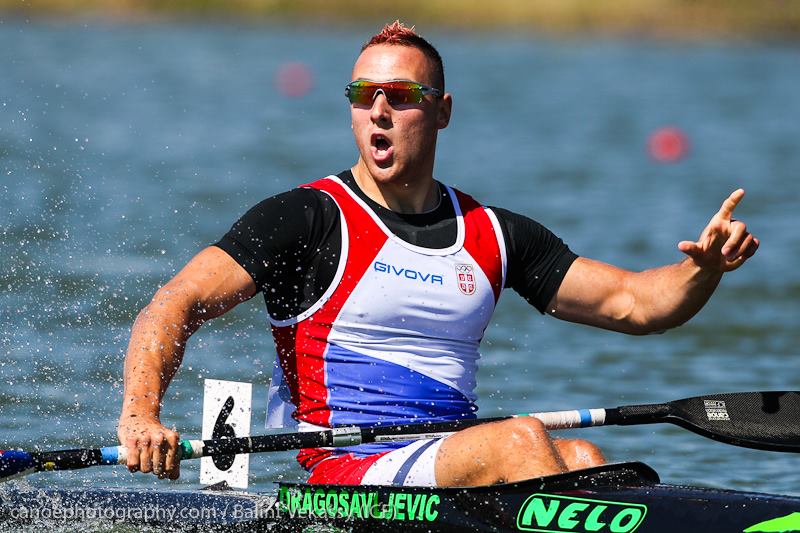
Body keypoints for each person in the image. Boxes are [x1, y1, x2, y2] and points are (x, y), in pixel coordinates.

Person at [117, 21, 759, 487]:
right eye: (363, 95)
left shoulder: (492, 233)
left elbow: (635, 305)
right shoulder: (307, 217)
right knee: (521, 441)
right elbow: (176, 302)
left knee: (586, 458)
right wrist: (142, 416)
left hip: (448, 462)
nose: (378, 112)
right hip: (345, 472)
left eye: (401, 97)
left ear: (442, 112)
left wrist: (702, 270)